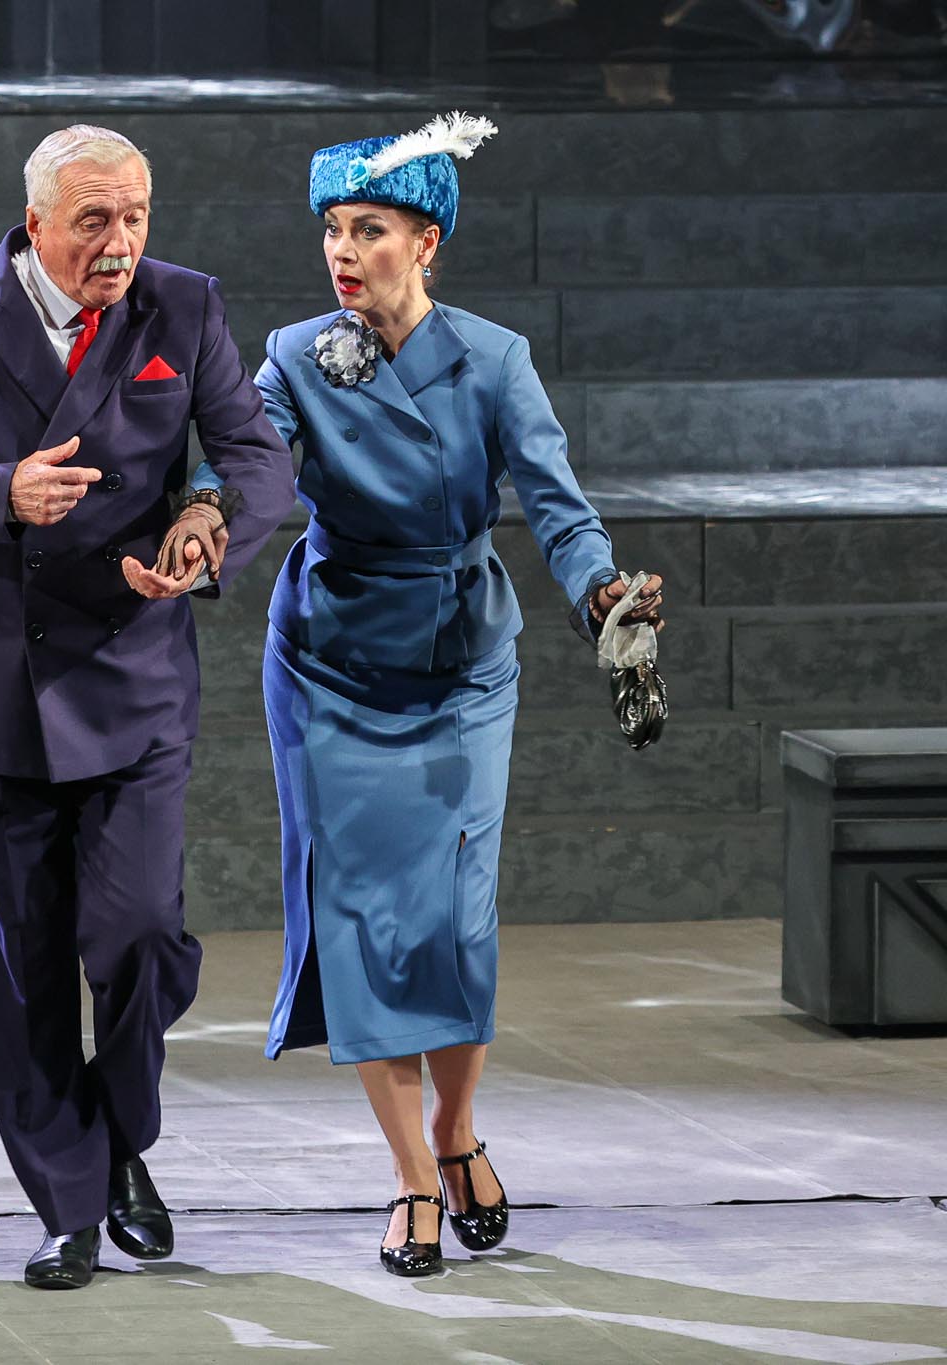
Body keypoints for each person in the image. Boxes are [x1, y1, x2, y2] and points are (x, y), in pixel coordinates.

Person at [0, 124, 296, 1291]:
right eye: (94, 219)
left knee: (139, 933)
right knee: (23, 970)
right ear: (35, 221)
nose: (119, 241)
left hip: (133, 672)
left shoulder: (182, 307)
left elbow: (255, 456)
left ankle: (118, 1132)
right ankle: (70, 1203)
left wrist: (204, 525)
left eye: (135, 216)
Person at [234, 112, 664, 1276]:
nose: (342, 250)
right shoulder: (293, 354)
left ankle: (455, 1129)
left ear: (425, 242)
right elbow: (248, 468)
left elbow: (557, 506)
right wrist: (203, 519)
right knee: (361, 919)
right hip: (330, 660)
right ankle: (411, 1180)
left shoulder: (494, 358)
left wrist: (600, 593)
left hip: (462, 661)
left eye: (368, 228)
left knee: (452, 920)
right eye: (331, 227)